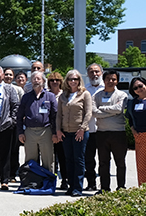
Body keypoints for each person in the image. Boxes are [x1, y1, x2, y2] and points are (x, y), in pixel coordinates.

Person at [55, 69, 92, 197]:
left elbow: (88, 113)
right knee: (68, 160)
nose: (73, 81)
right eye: (70, 79)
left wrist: (82, 129)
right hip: (65, 132)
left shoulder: (85, 94)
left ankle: (78, 187)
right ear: (67, 81)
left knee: (79, 160)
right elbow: (59, 115)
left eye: (75, 79)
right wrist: (58, 130)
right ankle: (71, 186)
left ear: (79, 80)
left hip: (79, 132)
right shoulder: (63, 96)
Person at [91, 70, 128, 192]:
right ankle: (104, 188)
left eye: (113, 79)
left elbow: (119, 108)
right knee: (103, 162)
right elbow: (94, 112)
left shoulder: (122, 95)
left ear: (117, 81)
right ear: (104, 80)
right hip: (102, 133)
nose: (111, 81)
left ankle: (121, 187)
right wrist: (110, 112)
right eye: (108, 79)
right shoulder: (96, 95)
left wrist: (102, 109)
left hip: (118, 133)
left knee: (120, 162)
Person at [16, 71, 58, 172]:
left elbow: (55, 116)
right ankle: (32, 183)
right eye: (33, 79)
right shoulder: (26, 97)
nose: (36, 81)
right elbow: (19, 116)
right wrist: (20, 132)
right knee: (30, 160)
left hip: (46, 131)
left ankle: (48, 184)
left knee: (48, 159)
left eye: (38, 78)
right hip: (30, 132)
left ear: (43, 81)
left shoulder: (50, 96)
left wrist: (54, 133)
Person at [82, 63, 103, 191]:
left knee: (104, 159)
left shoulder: (107, 88)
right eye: (91, 72)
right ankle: (91, 183)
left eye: (97, 71)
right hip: (89, 129)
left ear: (101, 72)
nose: (94, 74)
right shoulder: (84, 90)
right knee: (89, 159)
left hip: (103, 129)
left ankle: (104, 184)